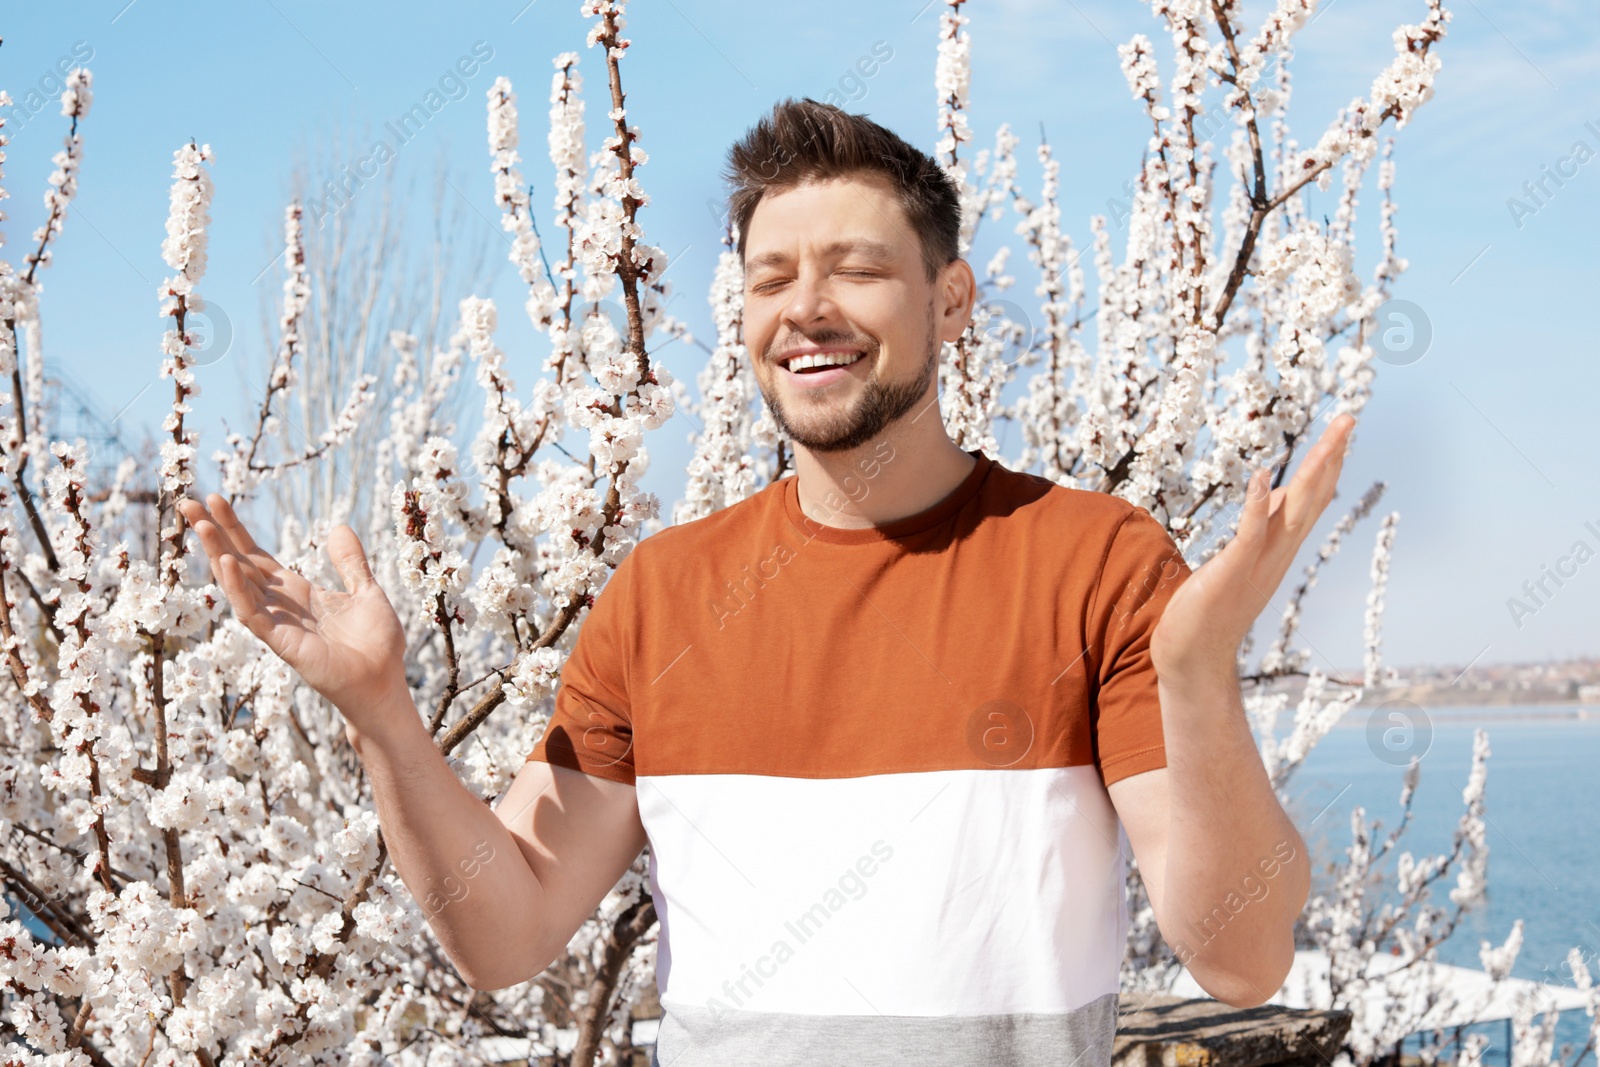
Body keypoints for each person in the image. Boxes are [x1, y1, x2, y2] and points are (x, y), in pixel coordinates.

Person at [179, 97, 1355, 1067]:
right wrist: (381, 712)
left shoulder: (1091, 560)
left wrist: (1197, 675)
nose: (806, 308)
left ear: (950, 300)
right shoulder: (661, 594)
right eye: (771, 275)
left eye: (856, 269)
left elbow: (1239, 955)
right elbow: (507, 930)